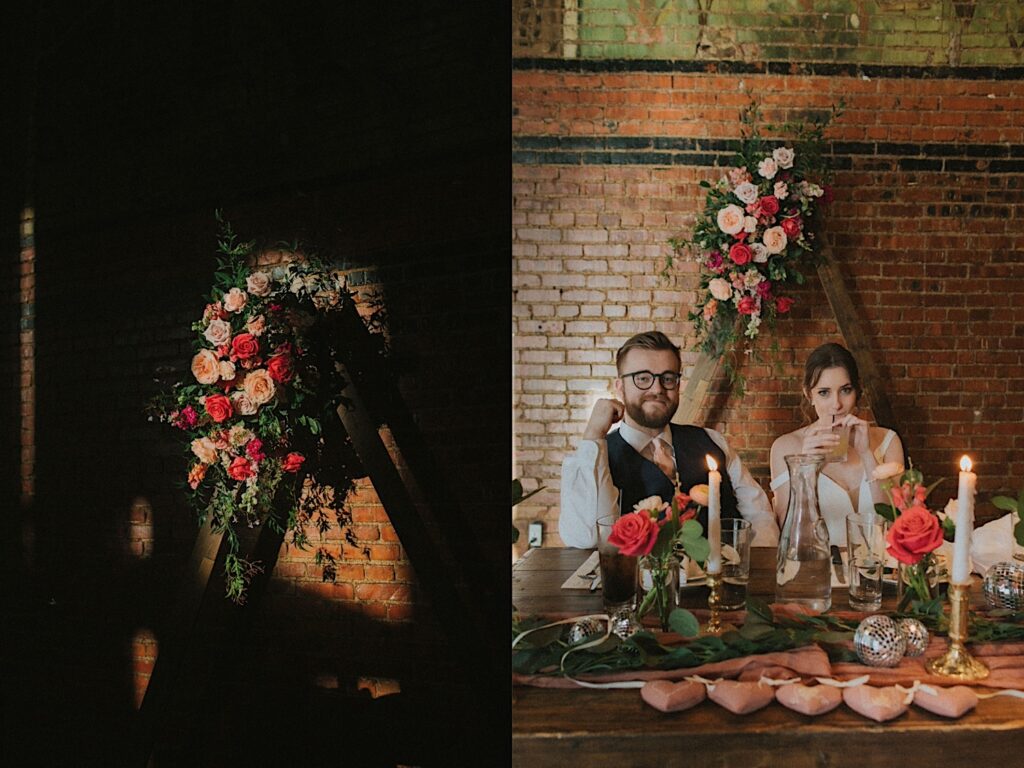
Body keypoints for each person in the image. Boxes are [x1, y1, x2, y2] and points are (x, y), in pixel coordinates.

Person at [559, 330, 779, 549]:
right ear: (620, 387)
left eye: (668, 378)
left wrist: (748, 570)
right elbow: (584, 537)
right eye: (643, 378)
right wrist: (593, 435)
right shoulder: (596, 458)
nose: (657, 389)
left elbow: (760, 517)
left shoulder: (713, 441)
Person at [769, 342, 905, 546]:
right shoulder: (785, 447)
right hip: (819, 569)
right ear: (809, 394)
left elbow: (895, 519)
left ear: (857, 391)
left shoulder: (888, 440)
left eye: (845, 390)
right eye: (824, 392)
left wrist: (867, 454)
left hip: (883, 568)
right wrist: (807, 468)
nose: (837, 404)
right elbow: (789, 532)